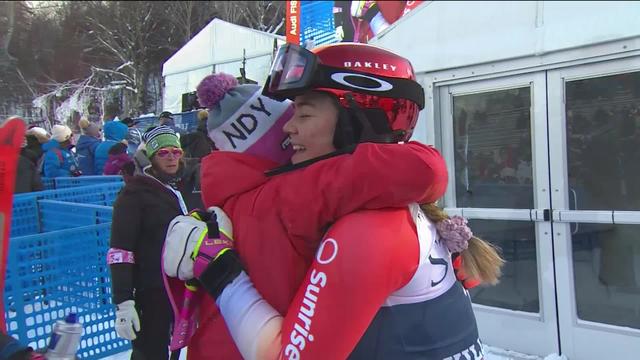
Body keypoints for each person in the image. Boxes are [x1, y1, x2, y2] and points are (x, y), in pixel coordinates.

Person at [166, 43, 503, 359]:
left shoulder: (370, 229)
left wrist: (221, 270)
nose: (289, 128)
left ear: (356, 119)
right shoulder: (390, 204)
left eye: (304, 114)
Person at [108, 125, 202, 360]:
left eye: (176, 151)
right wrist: (124, 301)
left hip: (190, 285)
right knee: (150, 352)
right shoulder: (134, 194)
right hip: (153, 290)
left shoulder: (188, 184)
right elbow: (120, 250)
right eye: (163, 153)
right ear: (151, 157)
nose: (171, 157)